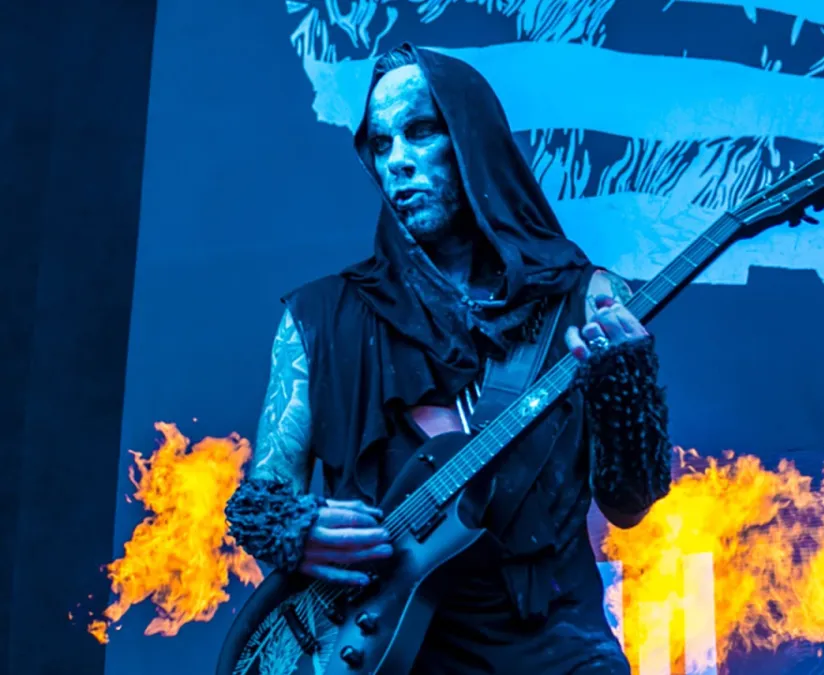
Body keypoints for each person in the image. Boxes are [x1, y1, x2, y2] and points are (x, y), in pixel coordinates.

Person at [224, 43, 672, 674]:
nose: (397, 161)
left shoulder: (588, 299)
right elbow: (260, 498)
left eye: (420, 131)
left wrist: (628, 381)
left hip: (558, 652)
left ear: (471, 139)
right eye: (381, 144)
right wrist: (297, 529)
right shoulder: (319, 319)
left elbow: (629, 506)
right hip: (389, 653)